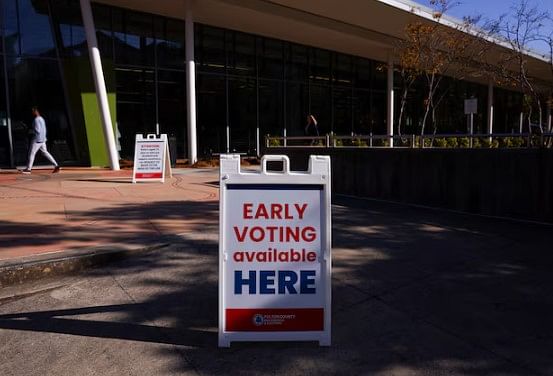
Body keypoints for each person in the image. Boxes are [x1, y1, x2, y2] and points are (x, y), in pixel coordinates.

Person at [21, 107, 60, 174]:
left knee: (31, 153)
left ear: (35, 112)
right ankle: (56, 165)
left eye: (33, 112)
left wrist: (30, 131)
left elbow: (37, 130)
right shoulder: (42, 119)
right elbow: (43, 129)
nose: (32, 113)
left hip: (37, 139)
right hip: (43, 139)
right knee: (45, 152)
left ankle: (28, 169)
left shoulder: (36, 120)